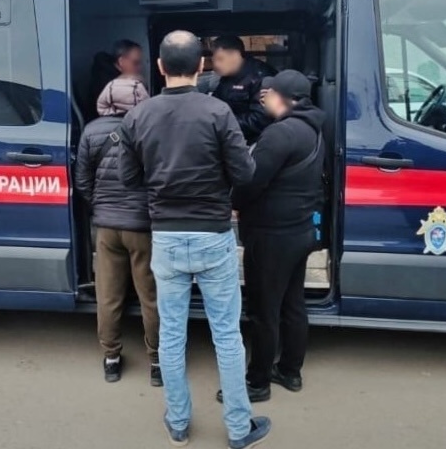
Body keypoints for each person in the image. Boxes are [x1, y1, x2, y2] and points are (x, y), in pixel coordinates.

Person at [119, 30, 271, 449]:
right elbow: (244, 173)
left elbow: (128, 179)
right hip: (213, 235)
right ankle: (239, 429)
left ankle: (178, 423)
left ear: (160, 67)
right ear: (201, 66)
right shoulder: (218, 112)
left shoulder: (138, 116)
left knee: (172, 335)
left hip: (166, 238)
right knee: (227, 335)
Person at [232, 70, 325, 402]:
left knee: (263, 311)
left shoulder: (279, 133)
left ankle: (257, 383)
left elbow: (250, 182)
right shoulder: (313, 130)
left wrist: (234, 203)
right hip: (299, 232)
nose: (263, 100)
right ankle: (290, 371)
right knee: (292, 304)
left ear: (281, 97)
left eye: (267, 94)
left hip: (271, 236)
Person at [74, 73, 161, 387]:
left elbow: (82, 180)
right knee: (150, 296)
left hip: (107, 227)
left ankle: (111, 359)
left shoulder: (91, 131)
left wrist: (100, 206)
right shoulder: (150, 129)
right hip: (142, 227)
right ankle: (157, 362)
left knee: (108, 296)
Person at [208, 35, 275, 144]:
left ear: (235, 55)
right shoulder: (226, 77)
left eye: (220, 59)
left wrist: (225, 123)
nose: (216, 65)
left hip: (256, 141)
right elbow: (216, 103)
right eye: (213, 60)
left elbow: (260, 120)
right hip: (231, 137)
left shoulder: (260, 77)